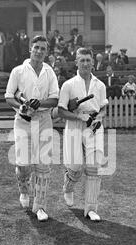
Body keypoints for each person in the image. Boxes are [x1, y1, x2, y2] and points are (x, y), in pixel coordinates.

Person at [5, 35, 59, 221]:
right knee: (24, 165)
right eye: (36, 47)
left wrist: (41, 103)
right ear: (30, 49)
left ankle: (40, 207)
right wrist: (21, 106)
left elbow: (55, 98)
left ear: (46, 52)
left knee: (43, 165)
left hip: (43, 120)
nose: (39, 51)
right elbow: (9, 96)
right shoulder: (18, 71)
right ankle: (23, 189)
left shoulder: (49, 71)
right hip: (23, 121)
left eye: (43, 49)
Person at [56, 47, 108, 222]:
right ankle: (68, 187)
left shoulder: (100, 85)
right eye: (82, 60)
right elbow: (61, 111)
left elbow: (103, 107)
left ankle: (91, 209)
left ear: (92, 62)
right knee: (76, 166)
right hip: (74, 126)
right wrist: (79, 116)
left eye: (88, 60)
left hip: (93, 128)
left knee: (94, 167)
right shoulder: (68, 85)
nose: (85, 63)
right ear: (76, 62)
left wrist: (97, 118)